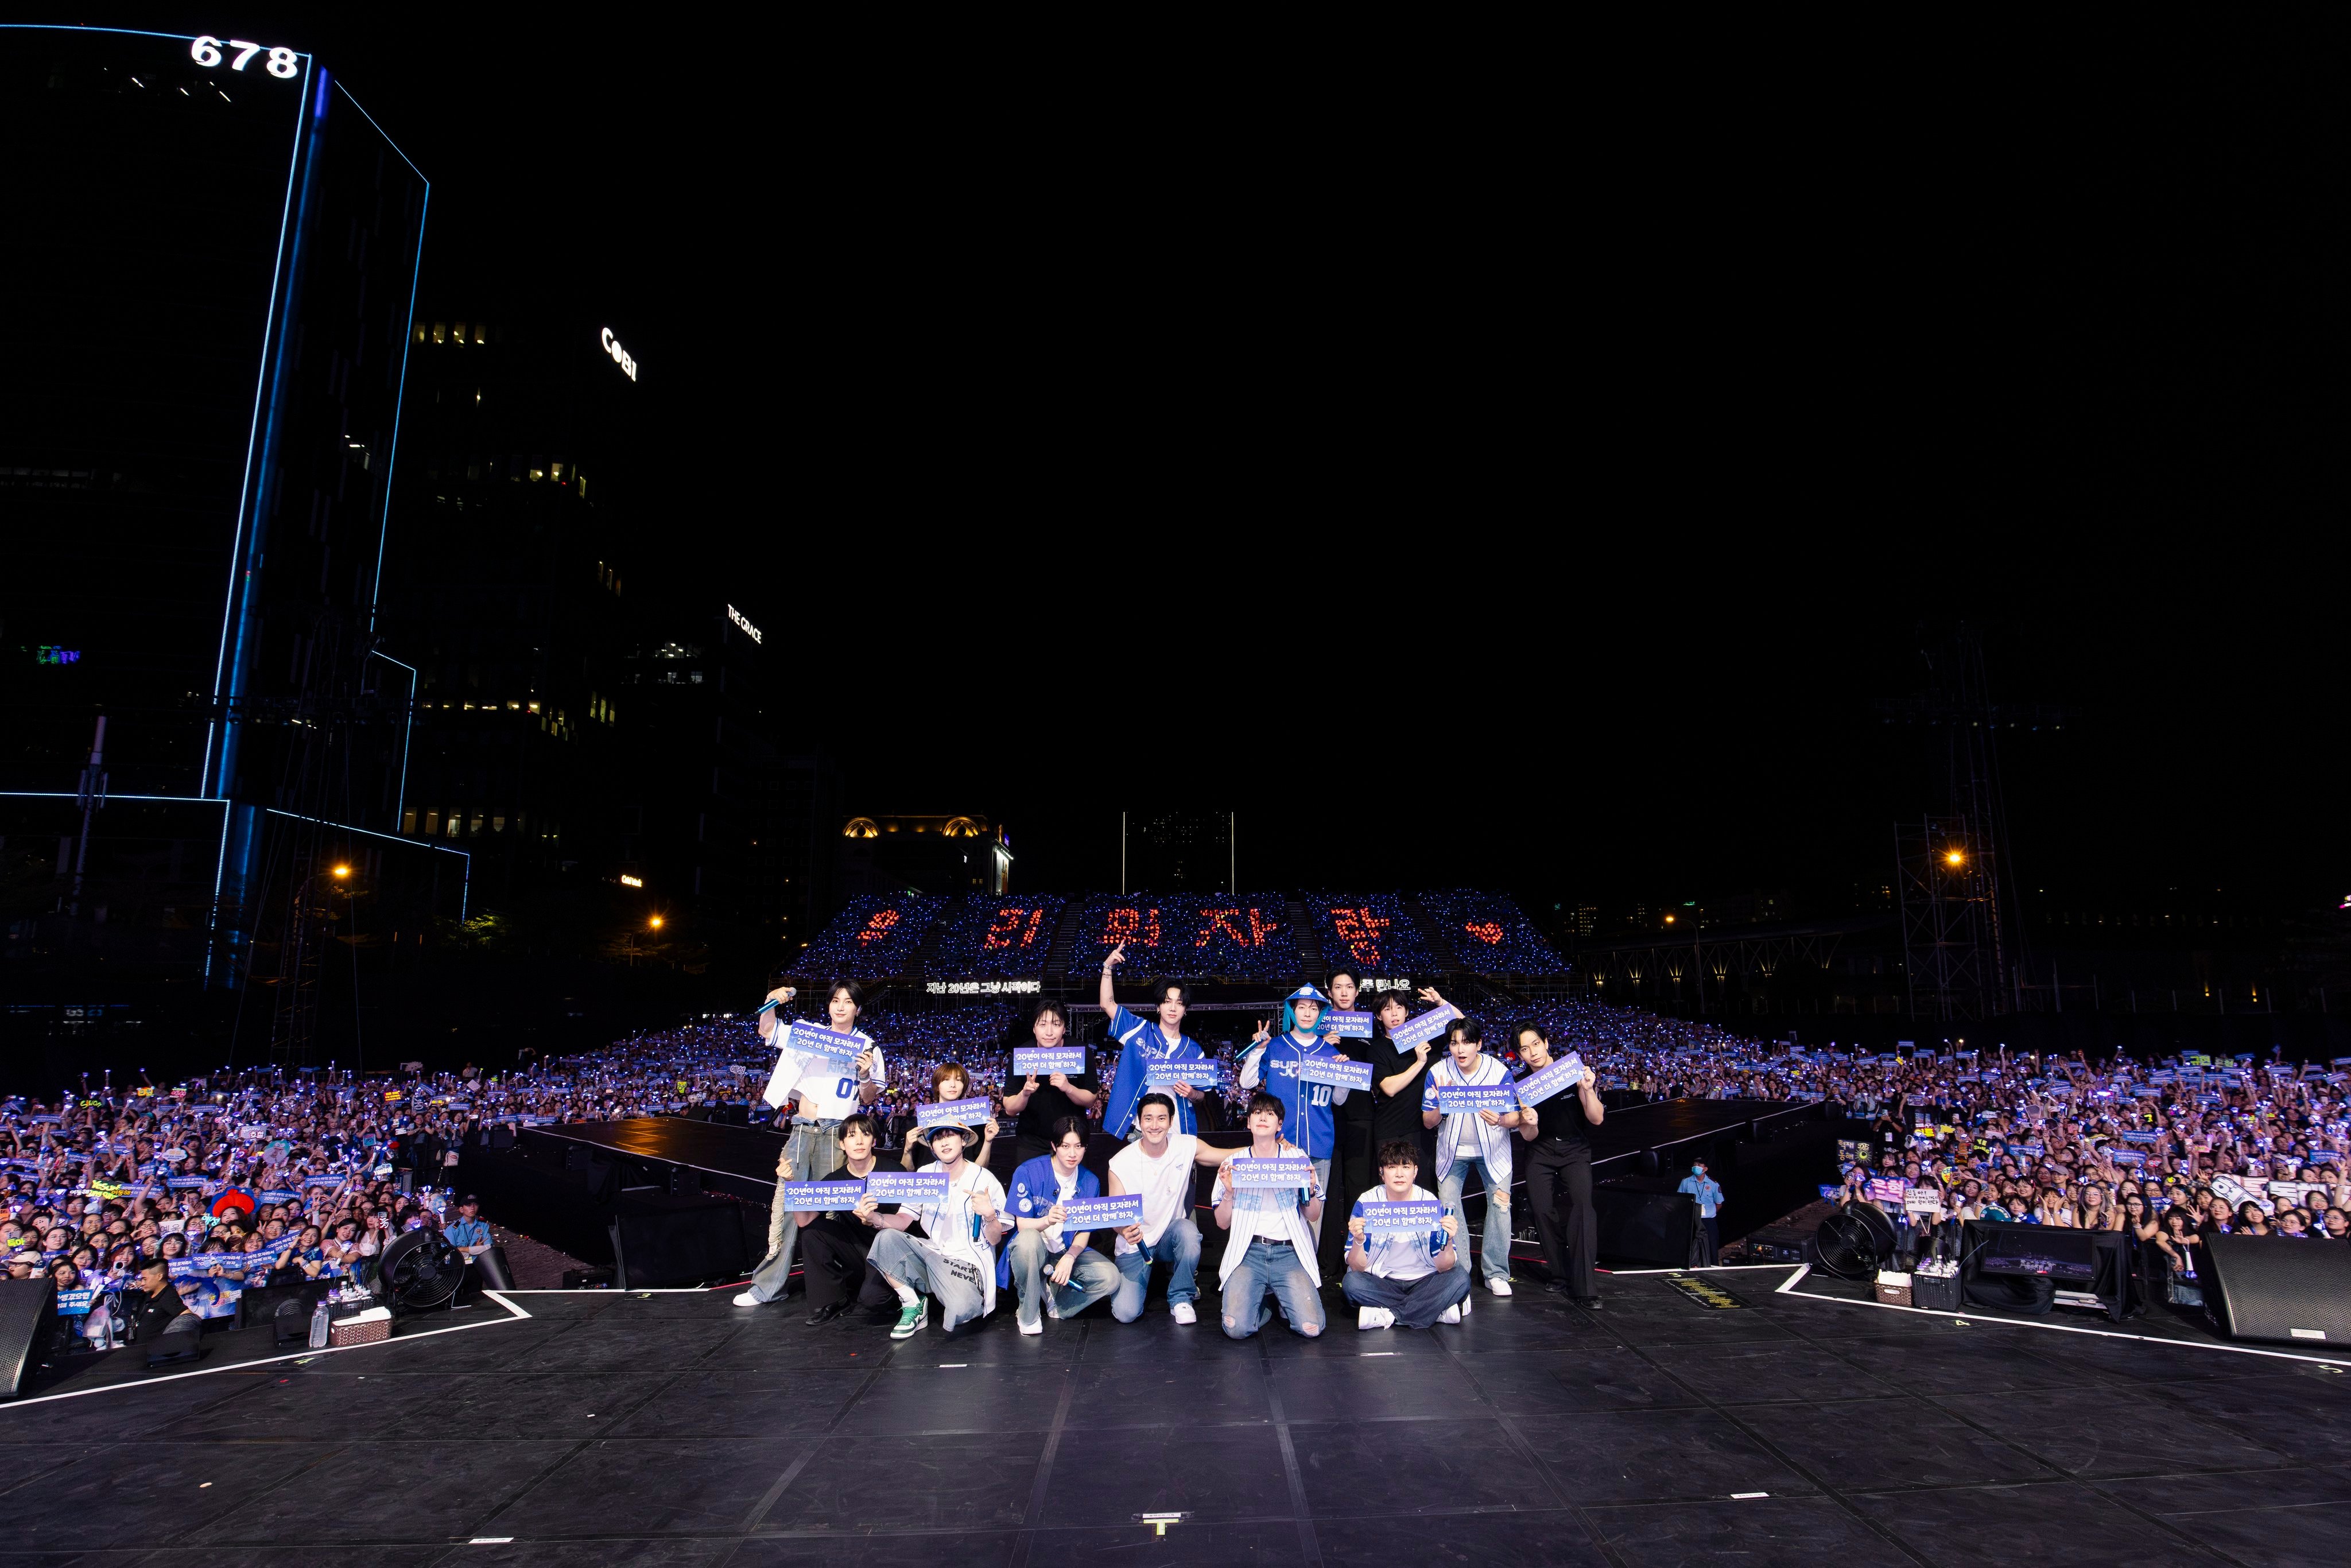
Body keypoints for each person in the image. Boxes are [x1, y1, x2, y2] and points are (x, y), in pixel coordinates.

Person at [741, 980, 884, 1307]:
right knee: (786, 1203)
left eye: (848, 1002)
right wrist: (771, 1002)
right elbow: (768, 1030)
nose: (840, 1006)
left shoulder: (869, 1046)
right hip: (802, 1129)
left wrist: (865, 1075)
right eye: (835, 1000)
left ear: (858, 1009)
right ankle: (767, 1287)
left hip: (837, 1135)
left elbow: (868, 1097)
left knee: (832, 1209)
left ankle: (836, 1287)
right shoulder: (811, 1034)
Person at [1105, 1092, 1239, 1324]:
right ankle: (1140, 1282)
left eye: (1161, 1118)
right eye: (1148, 1119)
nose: (1154, 1125)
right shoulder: (1120, 1163)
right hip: (1137, 1244)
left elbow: (1223, 1156)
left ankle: (1181, 1297)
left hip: (1170, 1236)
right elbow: (1116, 1217)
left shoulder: (1185, 1145)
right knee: (1126, 1313)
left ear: (1170, 1121)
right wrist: (1123, 1230)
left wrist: (1266, 1148)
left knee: (1189, 1232)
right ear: (1138, 1121)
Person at [864, 1121, 1006, 1338]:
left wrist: (989, 1215)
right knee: (886, 1238)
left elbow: (995, 1239)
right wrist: (874, 1217)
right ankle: (913, 1304)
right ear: (931, 1147)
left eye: (950, 1136)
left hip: (967, 1263)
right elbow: (903, 1220)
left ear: (964, 1140)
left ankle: (951, 1292)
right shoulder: (925, 1174)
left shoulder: (984, 1178)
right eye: (938, 1139)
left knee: (962, 1311)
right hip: (933, 1253)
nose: (944, 1143)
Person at [1237, 984, 1356, 1244]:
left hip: (1318, 1143)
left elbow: (1338, 1099)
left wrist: (1344, 1075)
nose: (1307, 1013)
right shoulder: (1275, 1046)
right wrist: (1257, 1049)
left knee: (1313, 1218)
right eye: (1301, 1007)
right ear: (1292, 1011)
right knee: (1275, 1215)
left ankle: (1309, 1267)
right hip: (1279, 1145)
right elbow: (1247, 1082)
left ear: (1321, 1014)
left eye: (1313, 1009)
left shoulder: (1330, 1053)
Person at [1421, 1017, 1520, 1305]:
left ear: (1479, 1044)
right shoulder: (1438, 1072)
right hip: (1452, 1152)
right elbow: (1428, 1122)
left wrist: (1501, 1120)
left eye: (1466, 1042)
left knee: (1500, 1208)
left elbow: (1515, 1117)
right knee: (1450, 1213)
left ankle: (1496, 1272)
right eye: (1454, 1043)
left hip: (1494, 1151)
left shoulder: (1498, 1072)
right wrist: (1441, 1106)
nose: (1460, 1049)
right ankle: (1460, 1273)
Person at [1211, 1090, 1325, 1339]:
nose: (1263, 1118)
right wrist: (1229, 1192)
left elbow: (1314, 1215)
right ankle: (1263, 1303)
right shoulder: (1234, 1163)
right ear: (1248, 1122)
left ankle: (1280, 1295)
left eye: (1270, 1114)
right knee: (1236, 1329)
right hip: (1248, 1253)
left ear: (1279, 1125)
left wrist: (1310, 1189)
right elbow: (1222, 1223)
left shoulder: (1297, 1159)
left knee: (1312, 1328)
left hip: (1289, 1252)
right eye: (1257, 1113)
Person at [1511, 1021, 1605, 1306]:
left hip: (1575, 1149)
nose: (1532, 1053)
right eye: (1524, 1049)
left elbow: (1597, 1119)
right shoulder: (1521, 1085)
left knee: (1582, 1208)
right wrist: (1529, 1122)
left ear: (1546, 1043)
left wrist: (1588, 1090)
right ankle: (1559, 1272)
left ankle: (1586, 1287)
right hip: (1540, 1151)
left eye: (1536, 1044)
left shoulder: (1571, 1071)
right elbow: (1528, 1136)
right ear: (1520, 1054)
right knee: (1541, 1210)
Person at [999, 1116, 1121, 1334]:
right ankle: (1028, 1313)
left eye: (1078, 1146)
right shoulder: (1029, 1171)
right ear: (1054, 1146)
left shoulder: (1091, 1182)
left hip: (1063, 1251)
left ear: (1085, 1148)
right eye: (1065, 1146)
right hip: (1033, 1250)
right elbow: (1023, 1226)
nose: (1072, 1154)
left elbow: (1084, 1232)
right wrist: (1047, 1220)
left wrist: (1070, 1257)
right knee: (1028, 1240)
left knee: (1110, 1277)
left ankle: (1057, 1300)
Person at [1343, 1139, 1471, 1329]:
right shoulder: (1367, 1202)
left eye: (1406, 1167)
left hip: (1425, 1280)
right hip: (1383, 1281)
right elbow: (1357, 1267)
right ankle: (1433, 1310)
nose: (1399, 1174)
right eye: (1392, 1167)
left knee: (1460, 1278)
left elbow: (1444, 1267)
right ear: (1382, 1173)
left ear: (1415, 1172)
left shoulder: (1428, 1202)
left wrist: (1450, 1239)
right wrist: (1359, 1241)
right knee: (1352, 1283)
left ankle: (1390, 1315)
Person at [793, 1113, 905, 1326]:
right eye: (852, 1136)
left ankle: (905, 1294)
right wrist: (791, 1183)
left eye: (866, 1134)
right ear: (842, 1144)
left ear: (874, 1141)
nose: (859, 1141)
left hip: (891, 1251)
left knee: (873, 1300)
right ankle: (834, 1300)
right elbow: (804, 1221)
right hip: (858, 1251)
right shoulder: (835, 1180)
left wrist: (874, 1219)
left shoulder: (894, 1172)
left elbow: (908, 1223)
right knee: (813, 1232)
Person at [1099, 946, 1210, 1139]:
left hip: (1178, 1132)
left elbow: (1202, 1095)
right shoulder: (1139, 1030)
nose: (1173, 1008)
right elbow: (1107, 1004)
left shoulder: (1194, 1051)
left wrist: (1192, 1093)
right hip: (1139, 1129)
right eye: (1167, 1002)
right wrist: (1108, 967)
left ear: (1186, 1010)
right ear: (1158, 1007)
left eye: (1179, 1003)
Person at [1366, 987, 1450, 1193]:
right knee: (1391, 1191)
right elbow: (1389, 1087)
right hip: (1390, 1129)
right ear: (1379, 1016)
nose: (1394, 1014)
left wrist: (1441, 1003)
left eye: (1399, 1007)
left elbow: (1464, 1026)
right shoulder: (1377, 1049)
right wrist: (1419, 1063)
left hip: (1423, 1128)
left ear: (1407, 1011)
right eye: (1387, 1009)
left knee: (1424, 1190)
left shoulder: (1426, 1038)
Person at [999, 998, 1100, 1167]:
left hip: (1071, 1140)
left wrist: (1069, 1088)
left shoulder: (1081, 1053)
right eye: (1042, 1024)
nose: (1049, 1032)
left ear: (1064, 1028)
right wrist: (1025, 1094)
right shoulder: (1021, 1056)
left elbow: (1090, 1099)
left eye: (1056, 1024)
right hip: (1031, 1142)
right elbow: (1010, 1108)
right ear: (1034, 1028)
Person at [906, 1063, 999, 1174]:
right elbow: (907, 1170)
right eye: (946, 1080)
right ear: (937, 1085)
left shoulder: (977, 1122)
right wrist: (907, 1150)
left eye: (958, 1080)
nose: (953, 1085)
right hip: (930, 1183)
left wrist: (988, 1142)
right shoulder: (920, 1124)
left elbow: (980, 1171)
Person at [1677, 1159, 1725, 1264]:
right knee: (1690, 1246)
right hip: (1692, 1220)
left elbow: (1719, 1204)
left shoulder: (1713, 1184)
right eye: (1695, 1165)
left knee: (1712, 1246)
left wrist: (1710, 1213)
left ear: (1705, 1169)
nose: (1696, 1167)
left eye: (1699, 1165)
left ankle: (1713, 1267)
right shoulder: (1686, 1182)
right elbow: (1680, 1200)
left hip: (1708, 1220)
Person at [443, 1196, 493, 1261]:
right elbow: (449, 1256)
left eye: (475, 1205)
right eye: (469, 1205)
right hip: (460, 1266)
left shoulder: (484, 1226)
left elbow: (489, 1248)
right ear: (461, 1209)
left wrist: (462, 1249)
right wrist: (477, 1250)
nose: (473, 1208)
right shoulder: (453, 1229)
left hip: (479, 1264)